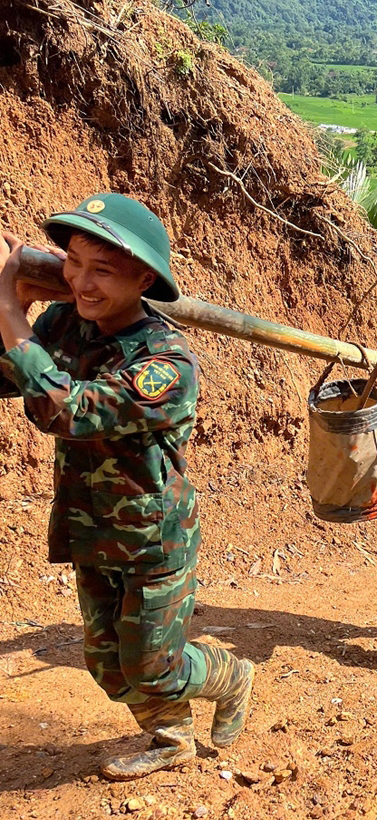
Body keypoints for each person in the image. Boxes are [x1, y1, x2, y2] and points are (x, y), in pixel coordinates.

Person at [0, 194, 254, 780]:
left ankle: (230, 675)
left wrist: (8, 313)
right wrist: (19, 310)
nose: (80, 282)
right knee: (108, 665)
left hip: (151, 538)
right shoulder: (65, 321)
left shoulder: (167, 363)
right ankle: (170, 737)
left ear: (145, 279)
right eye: (72, 262)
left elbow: (67, 411)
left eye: (102, 271)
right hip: (89, 526)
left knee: (155, 666)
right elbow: (9, 381)